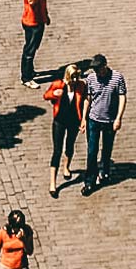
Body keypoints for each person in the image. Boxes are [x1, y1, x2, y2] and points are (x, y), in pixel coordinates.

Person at [81, 54, 127, 194]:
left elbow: (122, 97)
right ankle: (90, 180)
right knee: (92, 151)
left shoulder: (117, 78)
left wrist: (119, 118)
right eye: (95, 70)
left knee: (107, 149)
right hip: (93, 120)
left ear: (105, 66)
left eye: (99, 69)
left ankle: (105, 171)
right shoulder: (91, 79)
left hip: (109, 120)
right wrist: (83, 118)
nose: (97, 72)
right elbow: (88, 99)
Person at [44, 65, 87, 195]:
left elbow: (85, 100)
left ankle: (66, 167)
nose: (74, 80)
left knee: (70, 145)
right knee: (57, 150)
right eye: (72, 77)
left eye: (76, 77)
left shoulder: (80, 86)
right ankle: (53, 183)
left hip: (73, 121)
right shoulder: (58, 84)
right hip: (60, 121)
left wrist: (83, 119)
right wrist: (53, 94)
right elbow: (46, 95)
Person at [20, 0, 49, 86]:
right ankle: (26, 77)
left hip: (40, 20)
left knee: (34, 47)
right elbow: (32, 0)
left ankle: (30, 71)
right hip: (31, 22)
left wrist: (46, 15)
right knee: (29, 50)